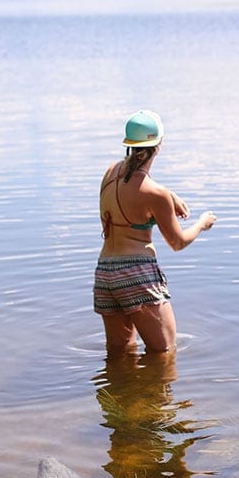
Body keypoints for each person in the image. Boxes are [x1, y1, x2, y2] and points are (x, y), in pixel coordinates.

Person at [94, 109, 216, 356]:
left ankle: (120, 394)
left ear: (129, 144)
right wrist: (202, 223)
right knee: (165, 353)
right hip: (137, 274)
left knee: (120, 355)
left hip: (106, 273)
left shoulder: (109, 173)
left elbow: (133, 182)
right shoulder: (155, 194)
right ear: (159, 144)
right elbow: (177, 242)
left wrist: (170, 194)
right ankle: (154, 395)